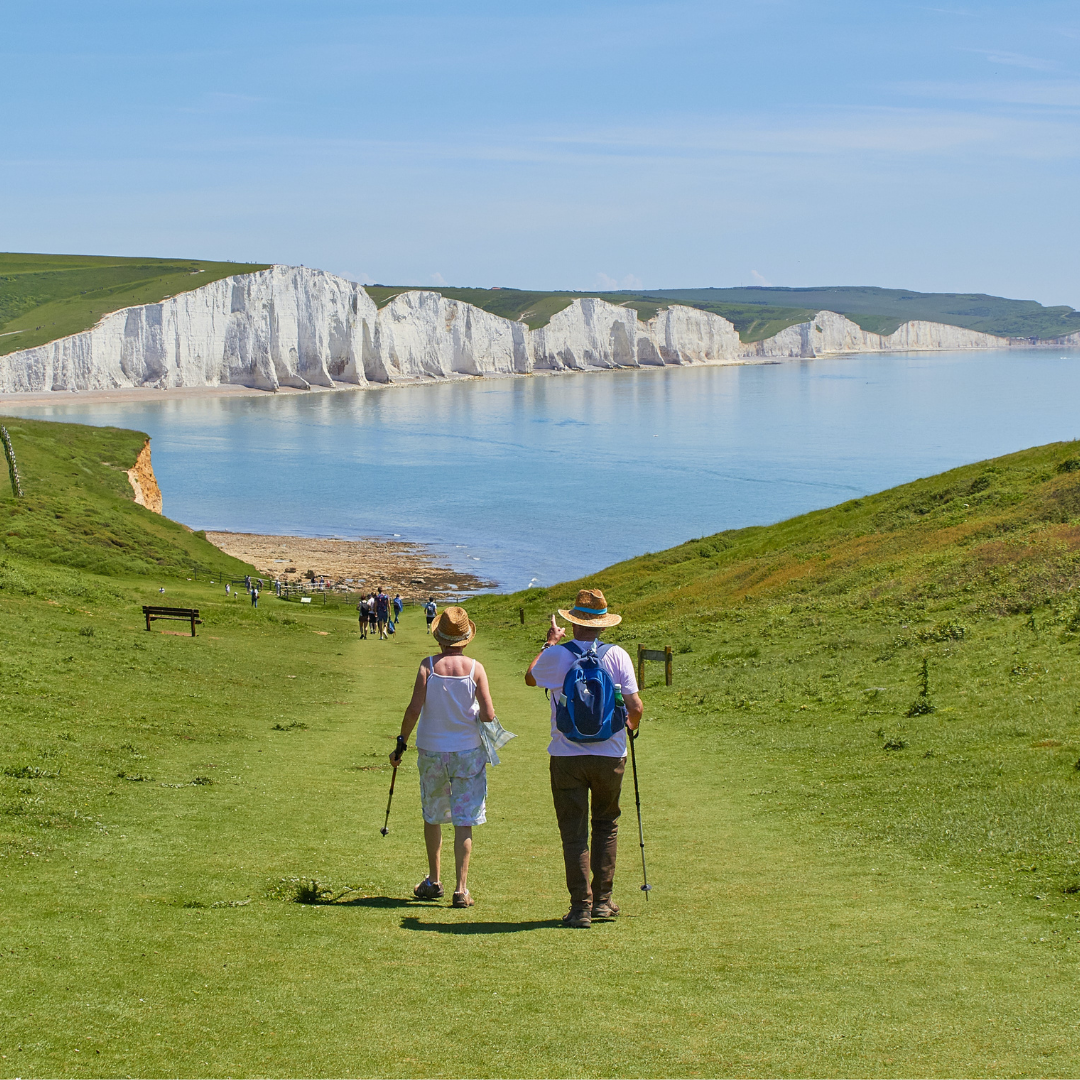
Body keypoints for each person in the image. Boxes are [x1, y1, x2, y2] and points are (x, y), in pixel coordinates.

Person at [525, 588, 643, 929]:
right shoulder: (618, 656)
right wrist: (626, 731)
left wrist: (548, 643)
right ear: (603, 626)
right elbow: (635, 708)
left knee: (573, 833)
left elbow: (531, 677)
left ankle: (581, 908)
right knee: (606, 825)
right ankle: (603, 901)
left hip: (566, 755)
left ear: (572, 624)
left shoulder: (558, 656)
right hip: (610, 755)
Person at [389, 606, 497, 908]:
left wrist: (401, 743)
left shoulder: (428, 666)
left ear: (440, 638)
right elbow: (488, 714)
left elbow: (414, 709)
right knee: (465, 819)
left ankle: (434, 880)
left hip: (432, 750)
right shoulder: (476, 668)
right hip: (468, 751)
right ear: (466, 640)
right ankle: (461, 889)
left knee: (433, 815)